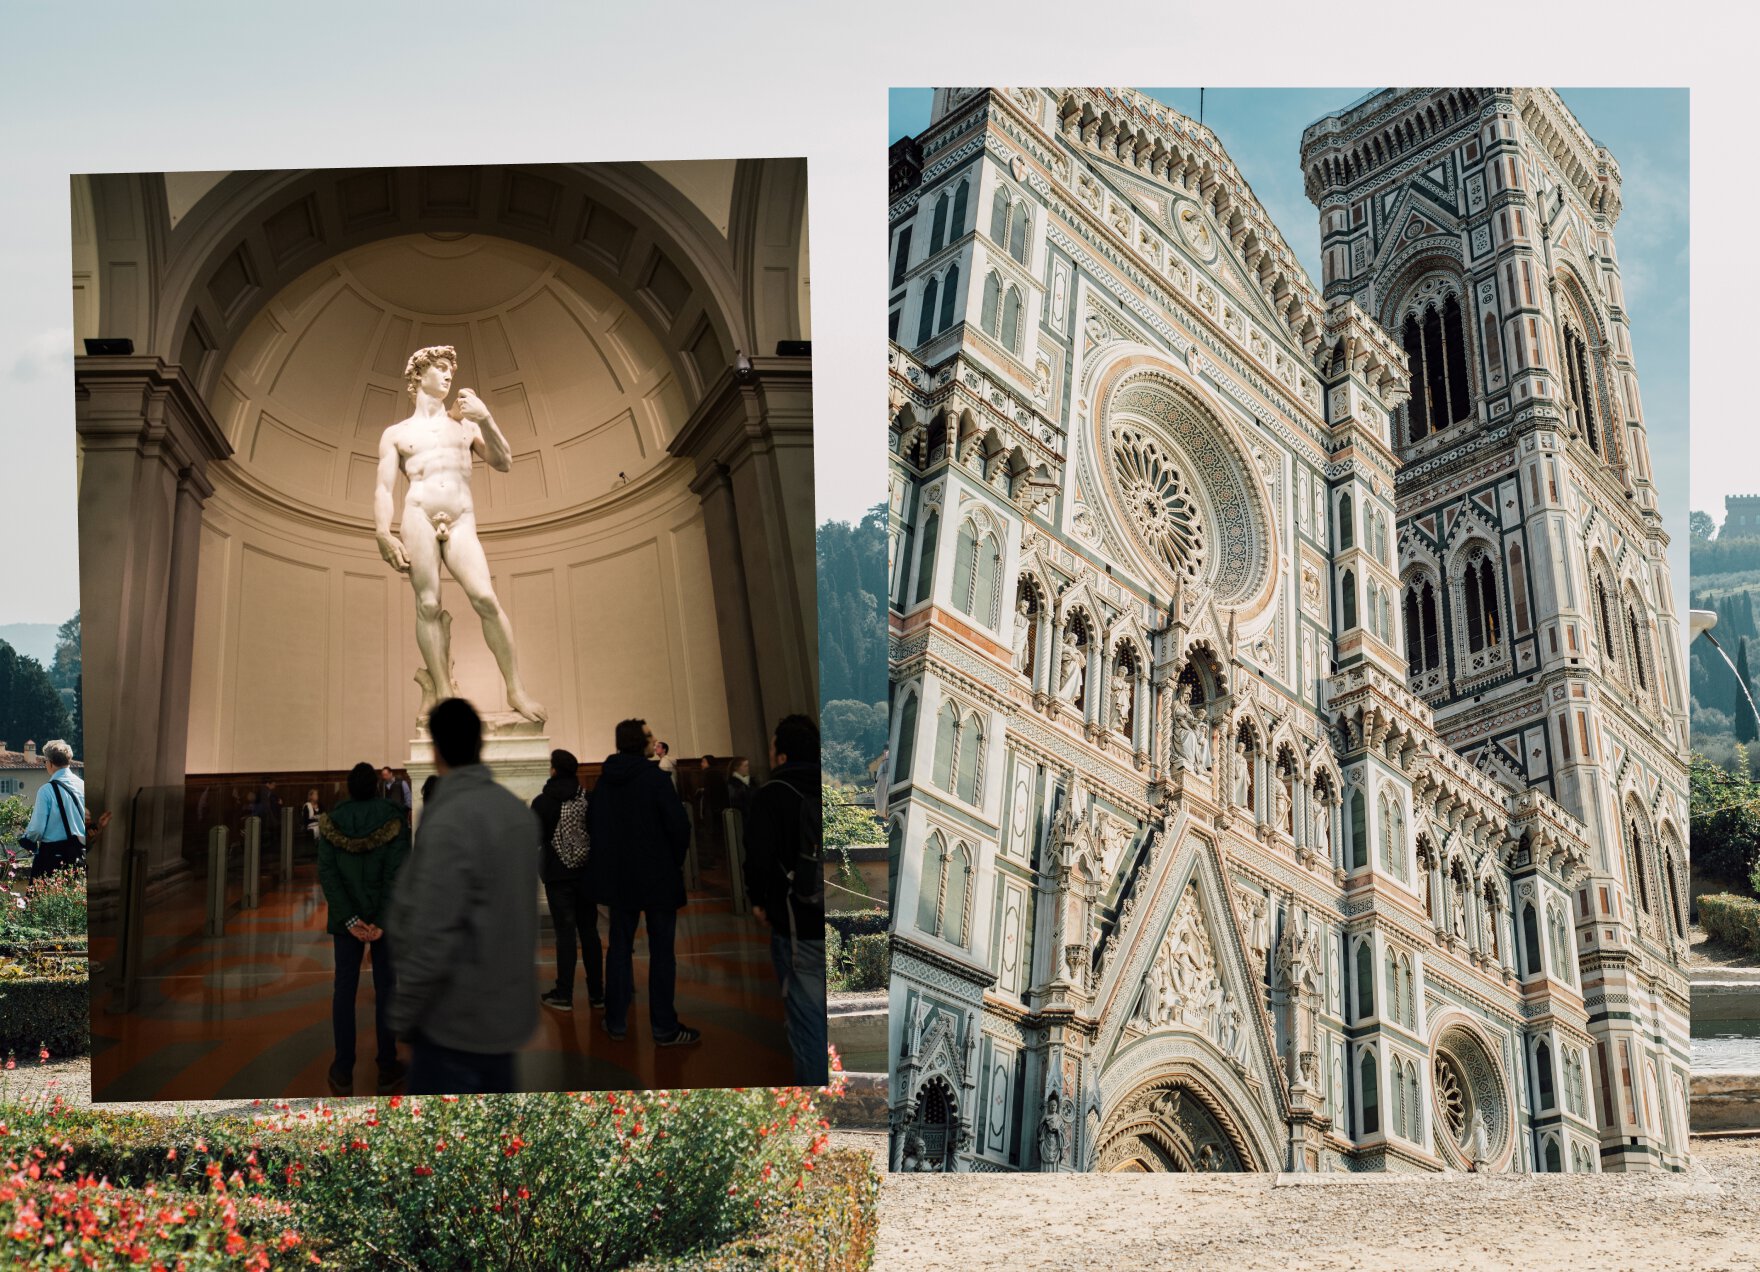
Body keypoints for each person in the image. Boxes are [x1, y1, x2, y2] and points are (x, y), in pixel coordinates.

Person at [373, 345, 546, 723]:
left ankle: (515, 689)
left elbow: (504, 461)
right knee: (428, 605)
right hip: (418, 515)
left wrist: (486, 419)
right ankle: (444, 693)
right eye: (440, 367)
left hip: (461, 518)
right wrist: (383, 532)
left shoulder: (465, 425)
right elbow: (384, 489)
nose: (449, 374)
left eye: (450, 368)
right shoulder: (397, 433)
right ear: (419, 375)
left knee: (485, 597)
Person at [387, 698, 540, 1093]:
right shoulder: (517, 813)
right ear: (480, 743)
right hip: (507, 1019)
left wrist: (404, 1015)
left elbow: (432, 932)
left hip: (453, 1026)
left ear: (436, 749)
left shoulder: (448, 820)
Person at [589, 718, 699, 1046]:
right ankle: (664, 1027)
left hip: (620, 879)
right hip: (657, 877)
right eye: (650, 735)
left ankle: (615, 1021)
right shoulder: (655, 779)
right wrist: (670, 862)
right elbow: (679, 826)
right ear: (639, 742)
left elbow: (595, 827)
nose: (654, 739)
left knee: (619, 948)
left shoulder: (605, 782)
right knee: (662, 951)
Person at [742, 714, 828, 1085]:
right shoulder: (839, 786)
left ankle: (820, 1100)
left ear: (781, 755)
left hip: (796, 924)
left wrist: (759, 902)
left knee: (807, 1024)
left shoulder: (771, 794)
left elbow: (758, 859)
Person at [316, 762, 410, 1096]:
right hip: (384, 921)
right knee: (387, 988)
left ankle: (343, 1068)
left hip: (347, 925)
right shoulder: (393, 819)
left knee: (344, 990)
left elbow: (328, 874)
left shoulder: (332, 823)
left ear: (349, 788)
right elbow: (397, 874)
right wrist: (381, 919)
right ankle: (387, 1064)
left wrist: (350, 919)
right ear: (376, 787)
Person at [532, 748, 602, 1012]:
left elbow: (535, 838)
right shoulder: (588, 798)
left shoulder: (542, 802)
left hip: (557, 874)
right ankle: (597, 993)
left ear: (553, 770)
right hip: (586, 872)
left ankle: (564, 993)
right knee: (590, 932)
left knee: (565, 935)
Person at [22, 740, 85, 879]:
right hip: (79, 852)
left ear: (50, 763)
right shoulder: (82, 785)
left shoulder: (46, 790)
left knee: (43, 893)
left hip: (52, 855)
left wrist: (26, 840)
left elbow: (37, 829)